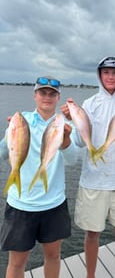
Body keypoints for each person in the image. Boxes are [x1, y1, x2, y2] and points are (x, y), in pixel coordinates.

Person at [61, 56, 115, 278]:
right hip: (93, 180)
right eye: (106, 72)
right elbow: (78, 141)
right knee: (92, 234)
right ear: (99, 75)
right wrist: (69, 121)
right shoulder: (89, 103)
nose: (110, 76)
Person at [0, 76, 80, 278]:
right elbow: (2, 154)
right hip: (21, 205)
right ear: (35, 95)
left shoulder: (66, 124)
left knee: (53, 256)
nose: (47, 97)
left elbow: (73, 160)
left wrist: (67, 140)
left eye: (52, 94)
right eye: (42, 93)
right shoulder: (22, 120)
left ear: (58, 97)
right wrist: (10, 134)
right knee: (17, 263)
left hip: (54, 204)